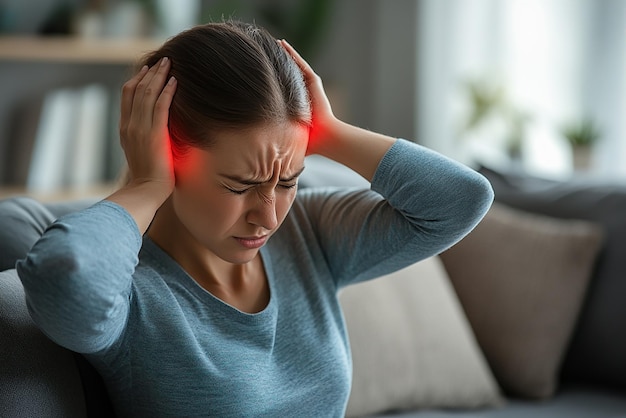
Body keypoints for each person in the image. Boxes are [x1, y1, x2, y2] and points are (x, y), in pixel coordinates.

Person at [17, 20, 493, 417]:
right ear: (165, 154)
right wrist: (144, 187)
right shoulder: (132, 291)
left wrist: (328, 133)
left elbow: (461, 202)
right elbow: (64, 280)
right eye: (239, 185)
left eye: (288, 181)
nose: (268, 216)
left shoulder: (311, 232)